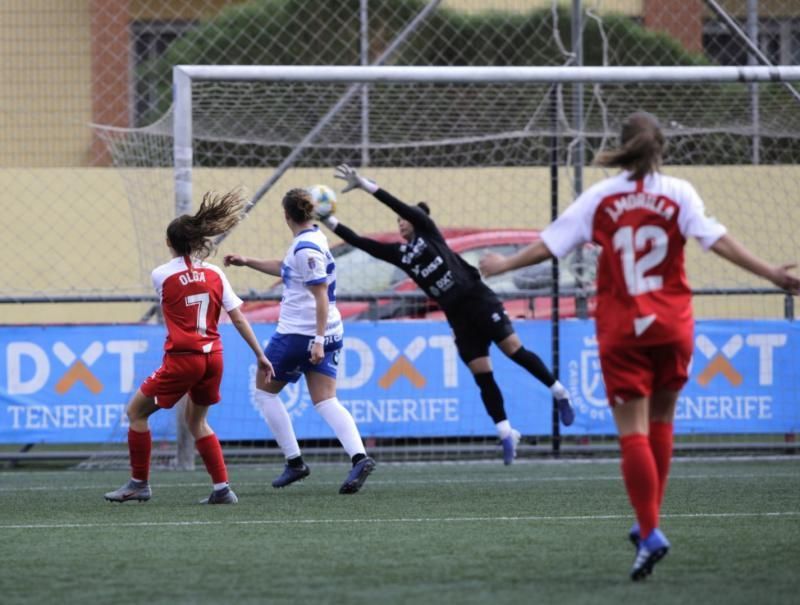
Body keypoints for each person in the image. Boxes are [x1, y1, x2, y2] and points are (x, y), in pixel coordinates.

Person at [479, 112, 800, 580]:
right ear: (661, 149)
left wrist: (504, 263)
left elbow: (551, 245)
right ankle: (648, 520)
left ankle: (649, 530)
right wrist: (773, 274)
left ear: (623, 147)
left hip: (624, 327)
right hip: (672, 324)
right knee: (663, 422)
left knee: (632, 431)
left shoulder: (601, 197)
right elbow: (718, 241)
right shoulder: (679, 193)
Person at [317, 163, 575, 466]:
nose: (400, 222)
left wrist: (366, 186)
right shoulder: (402, 255)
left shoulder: (428, 231)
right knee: (482, 373)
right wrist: (328, 220)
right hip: (457, 315)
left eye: (404, 218)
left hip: (479, 300)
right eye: (397, 220)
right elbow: (364, 244)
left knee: (513, 350)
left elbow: (398, 204)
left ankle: (559, 392)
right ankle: (506, 432)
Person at [105, 190, 274, 505]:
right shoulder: (216, 273)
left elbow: (176, 289)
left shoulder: (161, 274)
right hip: (214, 358)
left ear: (170, 243)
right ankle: (222, 488)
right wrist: (261, 355)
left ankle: (139, 484)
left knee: (135, 412)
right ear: (198, 241)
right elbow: (237, 318)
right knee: (197, 421)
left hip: (184, 358)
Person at [224, 188, 376, 494]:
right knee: (326, 400)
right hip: (328, 331)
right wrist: (247, 261)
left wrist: (317, 341)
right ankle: (359, 457)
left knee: (265, 393)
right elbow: (286, 268)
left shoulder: (305, 248)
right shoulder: (314, 238)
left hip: (299, 333)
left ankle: (295, 462)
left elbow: (320, 295)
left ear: (286, 215)